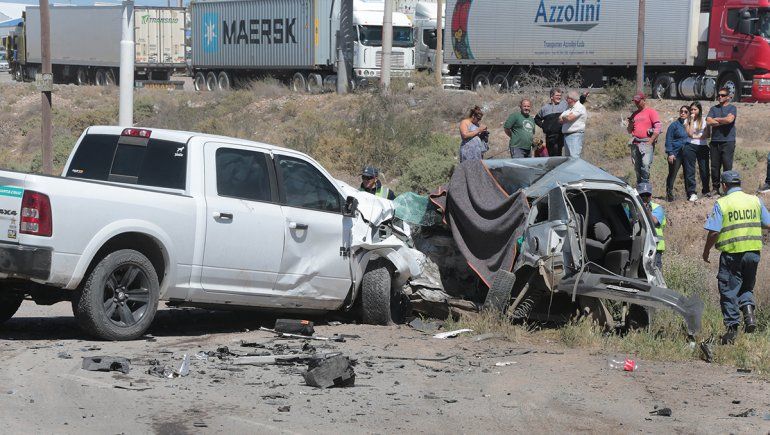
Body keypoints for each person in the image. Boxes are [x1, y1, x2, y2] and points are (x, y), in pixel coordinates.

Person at [702, 170, 770, 344]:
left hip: (732, 255)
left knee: (728, 291)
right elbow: (767, 223)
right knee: (746, 288)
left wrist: (706, 250)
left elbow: (714, 231)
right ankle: (749, 316)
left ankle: (731, 331)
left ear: (724, 185)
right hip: (753, 253)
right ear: (739, 184)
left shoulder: (722, 203)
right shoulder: (755, 200)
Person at [534, 88, 589, 157]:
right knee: (551, 156)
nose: (559, 97)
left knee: (563, 155)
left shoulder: (565, 104)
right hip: (550, 136)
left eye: (560, 95)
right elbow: (537, 119)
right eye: (557, 95)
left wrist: (583, 96)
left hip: (561, 134)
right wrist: (544, 126)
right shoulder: (545, 108)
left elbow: (576, 102)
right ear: (551, 96)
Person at [706, 88, 737, 196]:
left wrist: (716, 119)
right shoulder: (713, 108)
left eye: (723, 95)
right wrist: (723, 120)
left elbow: (729, 120)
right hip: (715, 141)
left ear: (728, 97)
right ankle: (715, 188)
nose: (720, 97)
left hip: (728, 141)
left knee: (727, 167)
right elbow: (708, 121)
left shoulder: (732, 108)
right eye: (718, 95)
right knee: (714, 166)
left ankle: (728, 189)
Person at [627, 93, 661, 185]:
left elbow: (658, 127)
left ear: (644, 100)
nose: (636, 103)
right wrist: (630, 123)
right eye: (635, 102)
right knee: (636, 166)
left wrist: (650, 141)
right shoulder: (634, 114)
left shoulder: (651, 112)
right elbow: (629, 131)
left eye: (638, 101)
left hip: (646, 142)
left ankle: (645, 185)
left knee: (645, 165)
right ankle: (639, 185)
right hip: (635, 143)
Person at [683, 101, 710, 202]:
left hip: (702, 146)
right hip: (690, 146)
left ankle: (706, 190)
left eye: (695, 109)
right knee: (690, 169)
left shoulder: (704, 120)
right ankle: (692, 192)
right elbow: (690, 134)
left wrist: (697, 136)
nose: (693, 111)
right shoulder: (687, 120)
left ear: (699, 110)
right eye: (691, 110)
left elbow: (707, 135)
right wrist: (691, 120)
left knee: (704, 169)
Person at [664, 106, 691, 202]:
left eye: (685, 112)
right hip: (675, 154)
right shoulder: (674, 125)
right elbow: (668, 140)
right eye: (681, 111)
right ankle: (669, 195)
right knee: (672, 174)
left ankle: (690, 195)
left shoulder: (690, 125)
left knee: (688, 174)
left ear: (689, 114)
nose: (683, 113)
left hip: (687, 154)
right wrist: (670, 153)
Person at [638, 182, 666, 269]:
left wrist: (647, 210)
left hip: (655, 247)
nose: (645, 197)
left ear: (651, 196)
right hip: (639, 245)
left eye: (647, 195)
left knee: (655, 271)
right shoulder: (632, 206)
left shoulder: (657, 208)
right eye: (642, 195)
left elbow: (655, 222)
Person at [559, 90, 587, 157]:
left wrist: (565, 117)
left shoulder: (579, 107)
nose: (566, 100)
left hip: (575, 135)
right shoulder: (568, 108)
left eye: (567, 98)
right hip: (566, 135)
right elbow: (559, 119)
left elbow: (569, 118)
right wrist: (565, 117)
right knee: (568, 158)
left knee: (574, 157)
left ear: (572, 99)